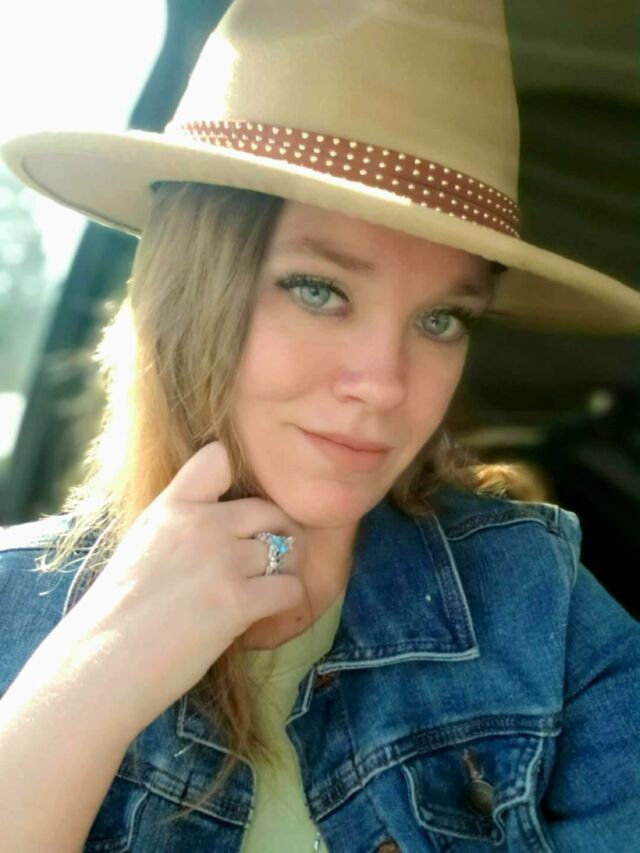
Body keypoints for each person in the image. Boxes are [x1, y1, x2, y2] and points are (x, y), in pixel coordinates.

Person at [0, 0, 639, 850]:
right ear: (194, 289)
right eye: (318, 289)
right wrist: (94, 674)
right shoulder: (12, 602)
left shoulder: (541, 606)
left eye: (442, 318)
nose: (384, 385)